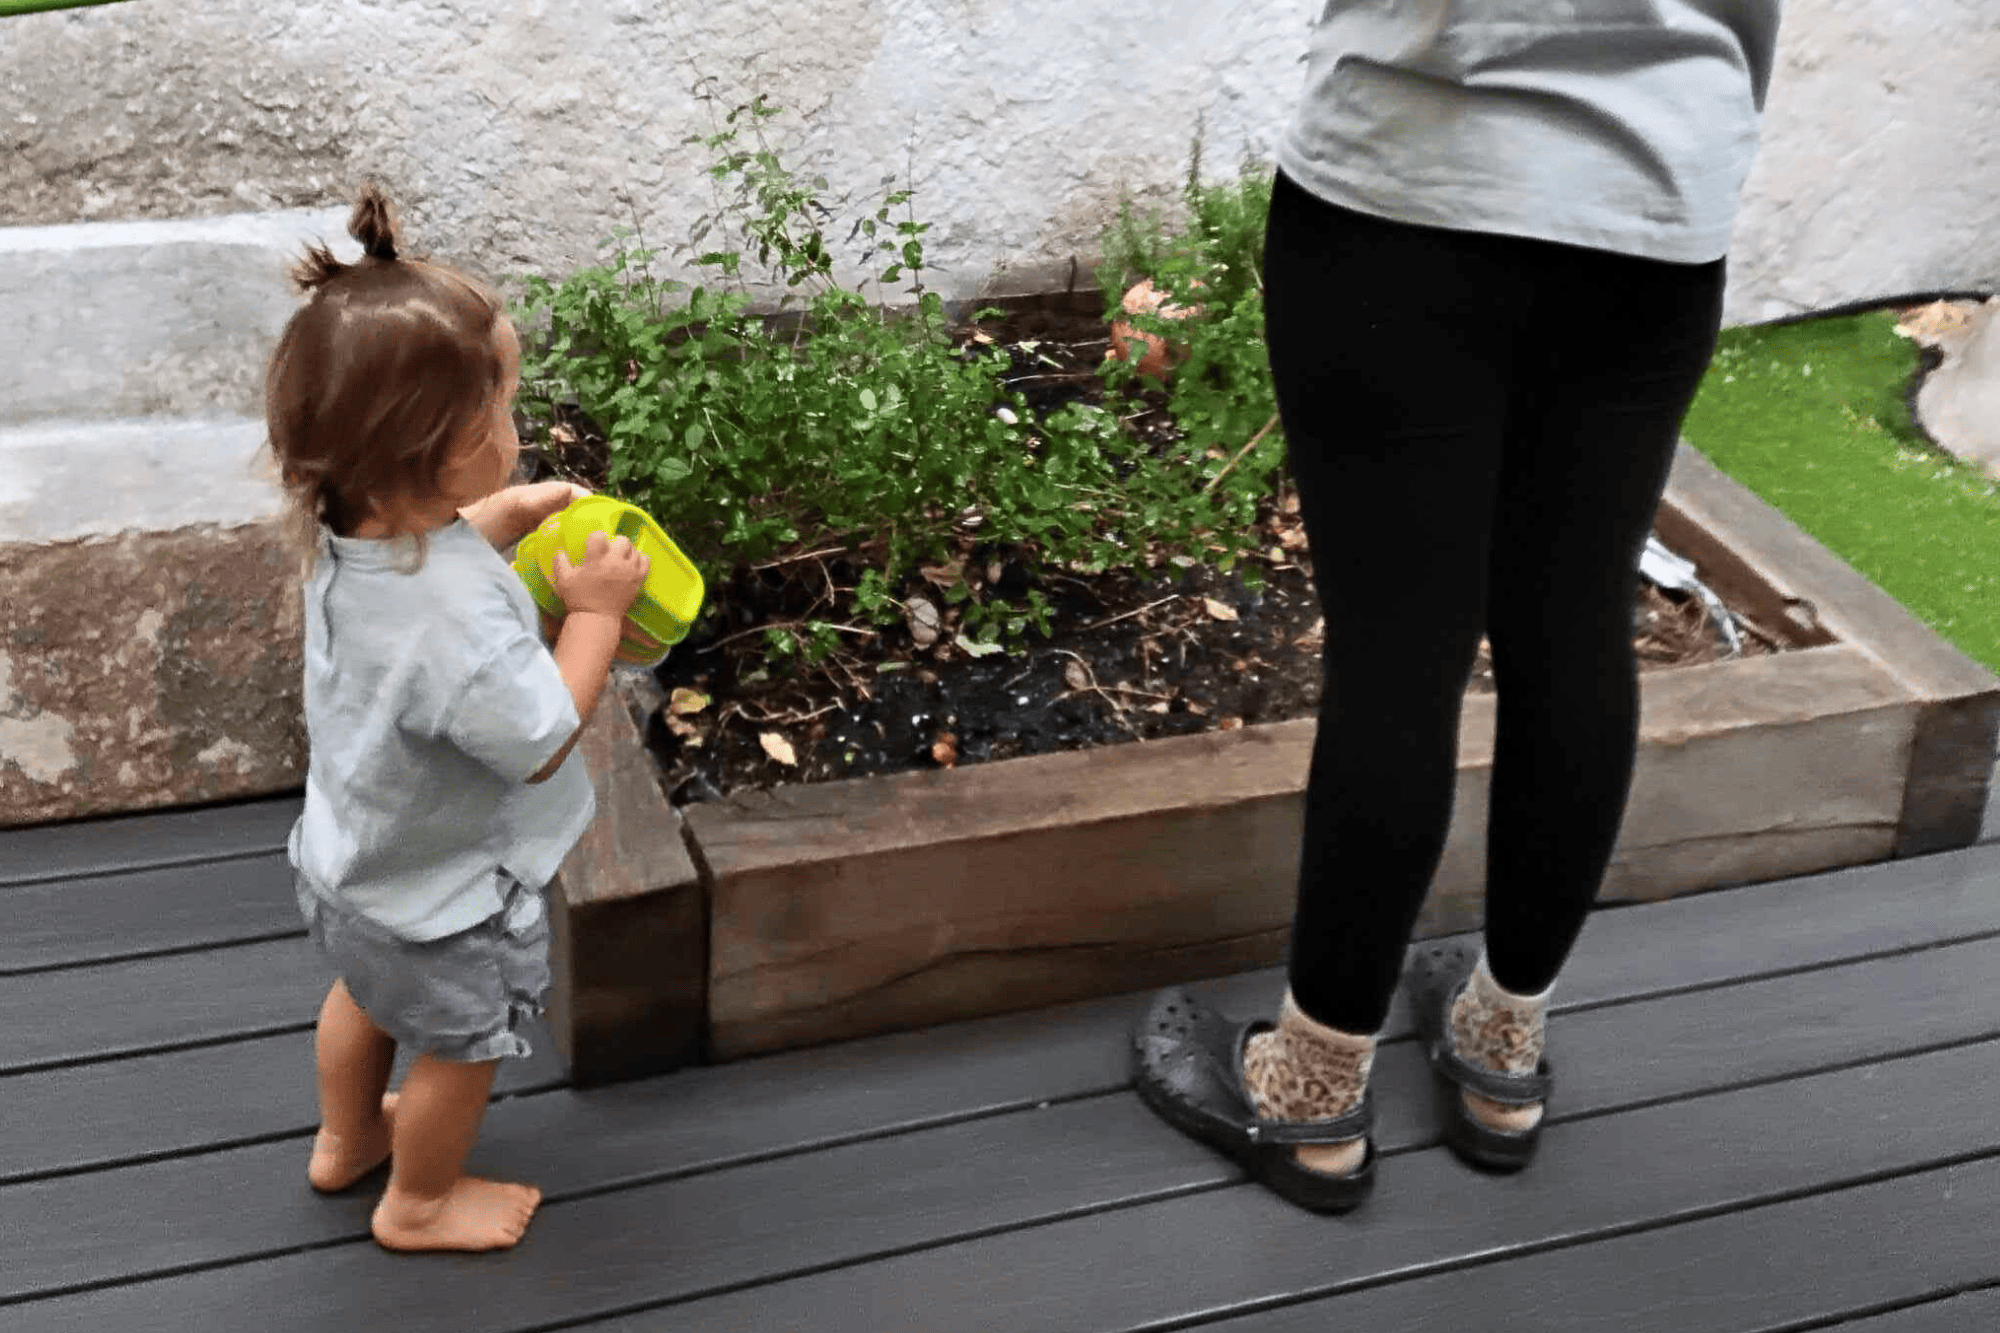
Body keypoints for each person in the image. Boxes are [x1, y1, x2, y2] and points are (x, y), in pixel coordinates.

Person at [1133, 1, 1783, 1213]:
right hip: (1651, 197)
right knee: (1575, 626)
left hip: (1406, 181)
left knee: (1394, 651)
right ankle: (1497, 1054)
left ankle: (1312, 1089)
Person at [266, 185, 650, 1251]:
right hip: (444, 907)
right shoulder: (453, 625)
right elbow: (535, 735)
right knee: (461, 1049)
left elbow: (424, 555)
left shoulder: (345, 534)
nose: (518, 428)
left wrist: (496, 518)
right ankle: (420, 1201)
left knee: (363, 999)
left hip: (353, 867)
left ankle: (347, 1142)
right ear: (439, 449)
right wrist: (594, 617)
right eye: (506, 410)